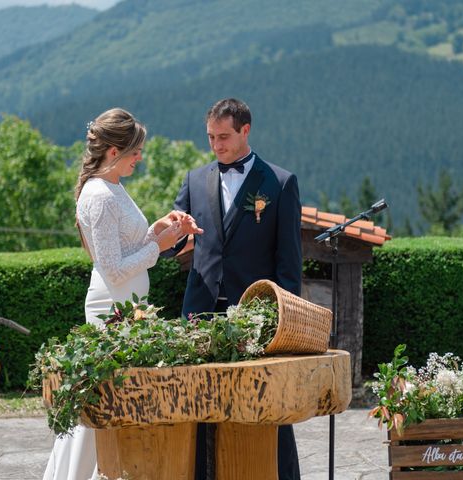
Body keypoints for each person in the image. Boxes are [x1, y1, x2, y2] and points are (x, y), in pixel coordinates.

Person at [43, 108, 202, 480]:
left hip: (128, 308)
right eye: (135, 152)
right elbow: (112, 269)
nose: (140, 158)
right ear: (113, 151)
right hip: (110, 308)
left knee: (118, 398)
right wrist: (158, 246)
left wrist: (161, 231)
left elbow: (126, 249)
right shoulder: (98, 195)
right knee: (102, 399)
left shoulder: (114, 187)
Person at [165, 98, 302, 480]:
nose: (216, 145)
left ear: (246, 130)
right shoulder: (194, 179)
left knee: (268, 405)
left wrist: (280, 321)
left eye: (224, 136)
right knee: (198, 403)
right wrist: (174, 234)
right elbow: (174, 240)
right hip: (200, 313)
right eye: (210, 137)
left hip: (255, 315)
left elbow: (289, 263)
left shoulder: (280, 182)